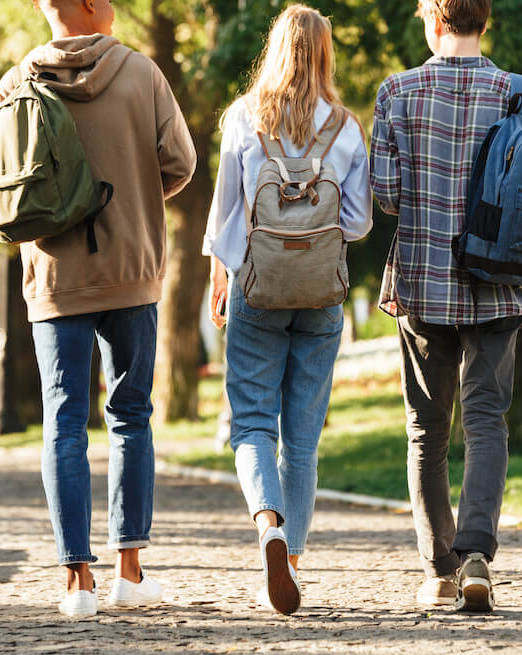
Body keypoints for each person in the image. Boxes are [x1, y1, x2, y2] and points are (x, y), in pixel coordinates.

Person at [0, 0, 197, 616]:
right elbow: (181, 163)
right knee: (130, 416)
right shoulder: (142, 73)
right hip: (131, 270)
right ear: (89, 6)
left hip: (54, 273)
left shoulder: (15, 82)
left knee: (63, 421)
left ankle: (77, 581)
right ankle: (129, 573)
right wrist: (132, 196)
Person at [370, 0, 522, 612]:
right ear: (485, 20)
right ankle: (477, 556)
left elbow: (387, 196)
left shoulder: (395, 92)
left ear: (432, 20)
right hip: (500, 278)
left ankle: (438, 571)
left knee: (427, 430)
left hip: (424, 280)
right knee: (486, 420)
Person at [204, 4, 371, 615]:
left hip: (257, 287)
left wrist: (218, 279)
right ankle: (292, 563)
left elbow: (226, 214)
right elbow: (356, 224)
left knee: (251, 423)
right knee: (302, 439)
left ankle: (268, 527)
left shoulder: (243, 119)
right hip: (322, 296)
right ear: (325, 55)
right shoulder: (347, 128)